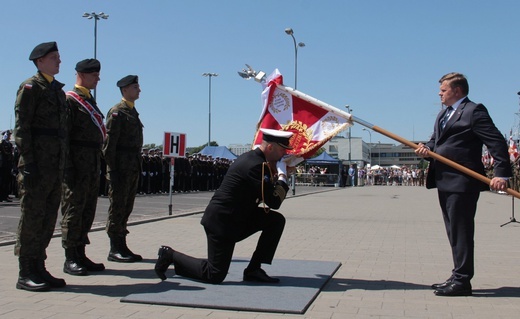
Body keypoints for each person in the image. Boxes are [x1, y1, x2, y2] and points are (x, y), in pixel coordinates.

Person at [154, 128, 293, 284]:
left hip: (238, 217)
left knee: (275, 221)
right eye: (282, 150)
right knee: (214, 274)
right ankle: (170, 255)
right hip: (222, 222)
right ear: (270, 147)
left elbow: (266, 194)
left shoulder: (255, 161)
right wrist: (282, 177)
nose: (284, 154)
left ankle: (254, 269)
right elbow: (274, 202)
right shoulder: (256, 165)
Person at [415, 72, 511, 297]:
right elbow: (435, 142)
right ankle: (458, 274)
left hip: (463, 182)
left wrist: (502, 174)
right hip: (444, 181)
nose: (439, 93)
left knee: (461, 231)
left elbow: (496, 142)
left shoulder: (473, 111)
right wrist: (426, 150)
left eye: (443, 90)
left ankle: (462, 281)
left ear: (457, 91)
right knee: (453, 231)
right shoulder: (442, 115)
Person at [13, 41, 68, 291]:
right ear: (40, 61)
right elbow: (22, 128)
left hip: (54, 166)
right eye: (54, 57)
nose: (59, 60)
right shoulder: (30, 87)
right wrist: (29, 164)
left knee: (47, 219)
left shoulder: (57, 90)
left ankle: (40, 267)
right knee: (32, 218)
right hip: (36, 165)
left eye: (58, 56)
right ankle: (25, 272)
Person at [60, 59, 106, 276]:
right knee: (73, 210)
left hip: (90, 164)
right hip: (76, 165)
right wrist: (69, 167)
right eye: (94, 75)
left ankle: (81, 253)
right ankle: (70, 257)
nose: (98, 78)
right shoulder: (71, 101)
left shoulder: (89, 100)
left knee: (87, 210)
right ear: (81, 74)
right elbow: (65, 136)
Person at [103, 75, 144, 263]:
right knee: (117, 207)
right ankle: (114, 247)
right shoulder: (117, 112)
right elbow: (109, 146)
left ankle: (122, 244)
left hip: (131, 168)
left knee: (126, 207)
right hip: (120, 169)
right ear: (125, 90)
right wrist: (113, 170)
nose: (139, 90)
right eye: (135, 87)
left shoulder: (132, 112)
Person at [0, 130, 14, 202]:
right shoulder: (2, 143)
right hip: (3, 164)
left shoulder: (10, 144)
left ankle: (5, 195)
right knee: (2, 180)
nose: (9, 136)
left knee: (7, 180)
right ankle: (1, 196)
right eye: (8, 135)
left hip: (8, 164)